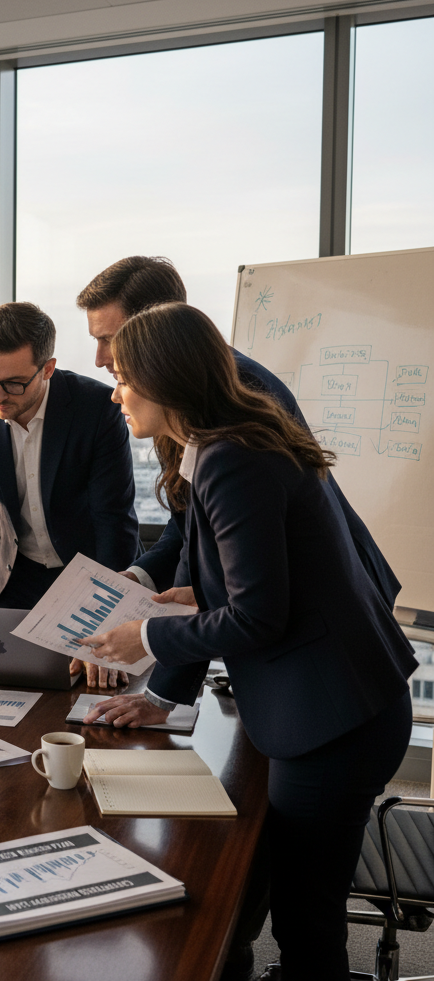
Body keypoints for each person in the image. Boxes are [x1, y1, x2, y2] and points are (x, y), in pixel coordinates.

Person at [83, 302, 417, 981]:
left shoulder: (232, 459)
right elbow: (262, 586)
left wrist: (148, 635)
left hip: (337, 717)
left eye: (123, 377)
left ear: (165, 379)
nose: (115, 392)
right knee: (301, 904)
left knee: (305, 916)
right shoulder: (221, 445)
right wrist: (193, 597)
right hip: (340, 703)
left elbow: (261, 617)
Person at [0, 302, 139, 687]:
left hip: (89, 570)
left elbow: (113, 521)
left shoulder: (96, 408)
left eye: (14, 383)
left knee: (92, 688)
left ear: (47, 369)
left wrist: (108, 610)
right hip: (13, 573)